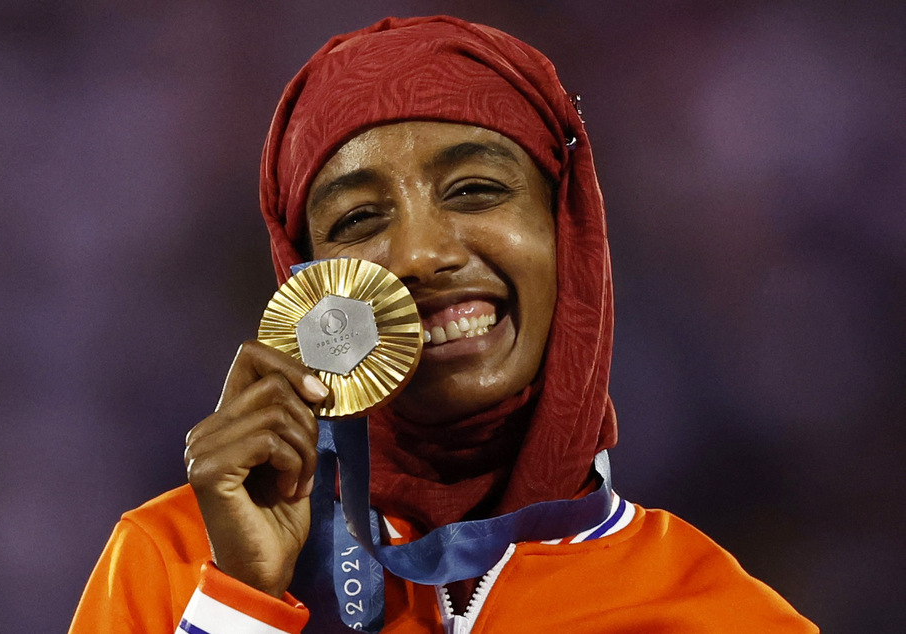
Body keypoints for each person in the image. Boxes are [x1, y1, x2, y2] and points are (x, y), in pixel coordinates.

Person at [69, 16, 818, 633]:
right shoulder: (170, 562)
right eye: (358, 218)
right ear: (304, 281)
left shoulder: (716, 616)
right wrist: (241, 602)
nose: (420, 255)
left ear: (570, 238)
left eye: (475, 189)